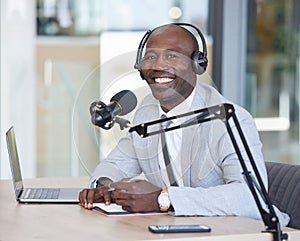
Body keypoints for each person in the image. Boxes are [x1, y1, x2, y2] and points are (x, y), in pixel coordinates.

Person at [79, 23, 289, 226]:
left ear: (197, 64)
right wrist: (105, 186)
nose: (159, 65)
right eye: (151, 56)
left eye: (172, 56)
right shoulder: (148, 111)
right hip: (181, 230)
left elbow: (249, 196)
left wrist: (161, 199)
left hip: (245, 233)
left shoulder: (229, 119)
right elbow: (117, 163)